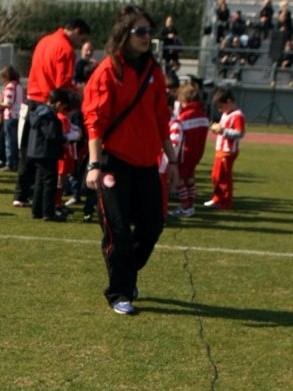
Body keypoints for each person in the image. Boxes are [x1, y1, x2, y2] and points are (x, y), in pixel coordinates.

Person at [82, 5, 179, 315]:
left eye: (149, 32)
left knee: (153, 224)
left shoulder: (154, 72)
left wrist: (172, 159)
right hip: (114, 162)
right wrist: (94, 164)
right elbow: (95, 119)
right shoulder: (109, 70)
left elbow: (162, 118)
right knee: (119, 229)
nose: (146, 37)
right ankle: (120, 291)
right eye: (140, 31)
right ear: (124, 34)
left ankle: (126, 271)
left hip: (146, 162)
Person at [13, 18, 90, 208]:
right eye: (81, 39)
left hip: (31, 99)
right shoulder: (65, 49)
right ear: (76, 31)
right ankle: (49, 200)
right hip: (49, 104)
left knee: (27, 150)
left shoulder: (44, 41)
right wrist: (75, 96)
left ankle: (21, 193)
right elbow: (62, 83)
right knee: (48, 156)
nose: (79, 44)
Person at [28, 89, 70, 222]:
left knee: (40, 181)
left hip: (37, 151)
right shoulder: (49, 115)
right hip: (47, 152)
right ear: (58, 103)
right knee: (49, 182)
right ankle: (48, 211)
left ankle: (37, 210)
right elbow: (51, 135)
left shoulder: (39, 112)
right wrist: (65, 139)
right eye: (62, 106)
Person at [169, 82, 209, 218]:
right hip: (197, 153)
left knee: (180, 179)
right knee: (190, 178)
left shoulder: (184, 116)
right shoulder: (203, 114)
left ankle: (185, 205)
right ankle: (190, 204)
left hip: (184, 153)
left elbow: (178, 135)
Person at [205, 88, 244, 210]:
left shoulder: (237, 115)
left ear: (229, 101)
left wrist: (223, 131)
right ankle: (217, 197)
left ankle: (226, 201)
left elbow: (240, 133)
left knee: (224, 177)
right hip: (220, 150)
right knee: (216, 176)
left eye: (221, 107)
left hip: (228, 151)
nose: (220, 110)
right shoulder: (225, 114)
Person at [0, 65, 23, 172]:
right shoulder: (18, 85)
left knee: (9, 141)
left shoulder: (10, 86)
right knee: (15, 140)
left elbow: (8, 104)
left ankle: (10, 163)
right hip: (18, 115)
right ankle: (15, 162)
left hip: (10, 116)